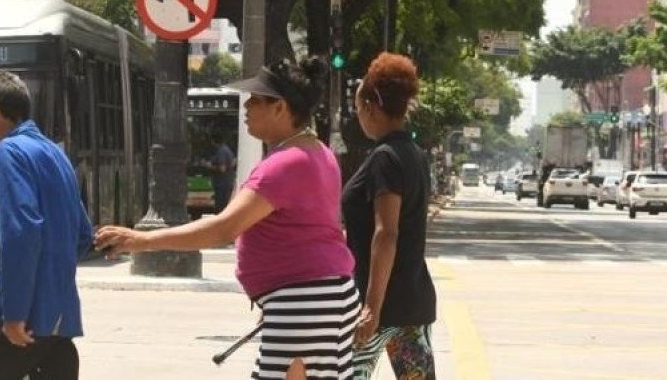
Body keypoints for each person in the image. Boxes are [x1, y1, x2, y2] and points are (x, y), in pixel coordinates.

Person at [95, 58, 358, 380]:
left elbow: (224, 228)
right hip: (323, 296)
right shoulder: (319, 153)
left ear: (281, 108)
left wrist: (144, 240)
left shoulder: (284, 164)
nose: (246, 107)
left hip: (303, 299)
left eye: (256, 100)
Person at [0, 71, 94, 380]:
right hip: (58, 319)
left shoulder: (9, 152)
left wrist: (14, 312)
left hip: (19, 319)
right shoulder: (55, 153)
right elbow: (82, 235)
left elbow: (20, 233)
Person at [342, 53, 437, 380]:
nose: (359, 118)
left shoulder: (384, 158)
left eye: (358, 109)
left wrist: (371, 307)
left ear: (371, 106)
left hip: (381, 308)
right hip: (413, 302)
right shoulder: (414, 155)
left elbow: (387, 233)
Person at [209, 135, 237, 214]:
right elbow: (234, 162)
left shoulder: (220, 151)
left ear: (214, 142)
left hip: (221, 184)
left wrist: (210, 166)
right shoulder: (227, 150)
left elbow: (222, 169)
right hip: (228, 181)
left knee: (220, 207)